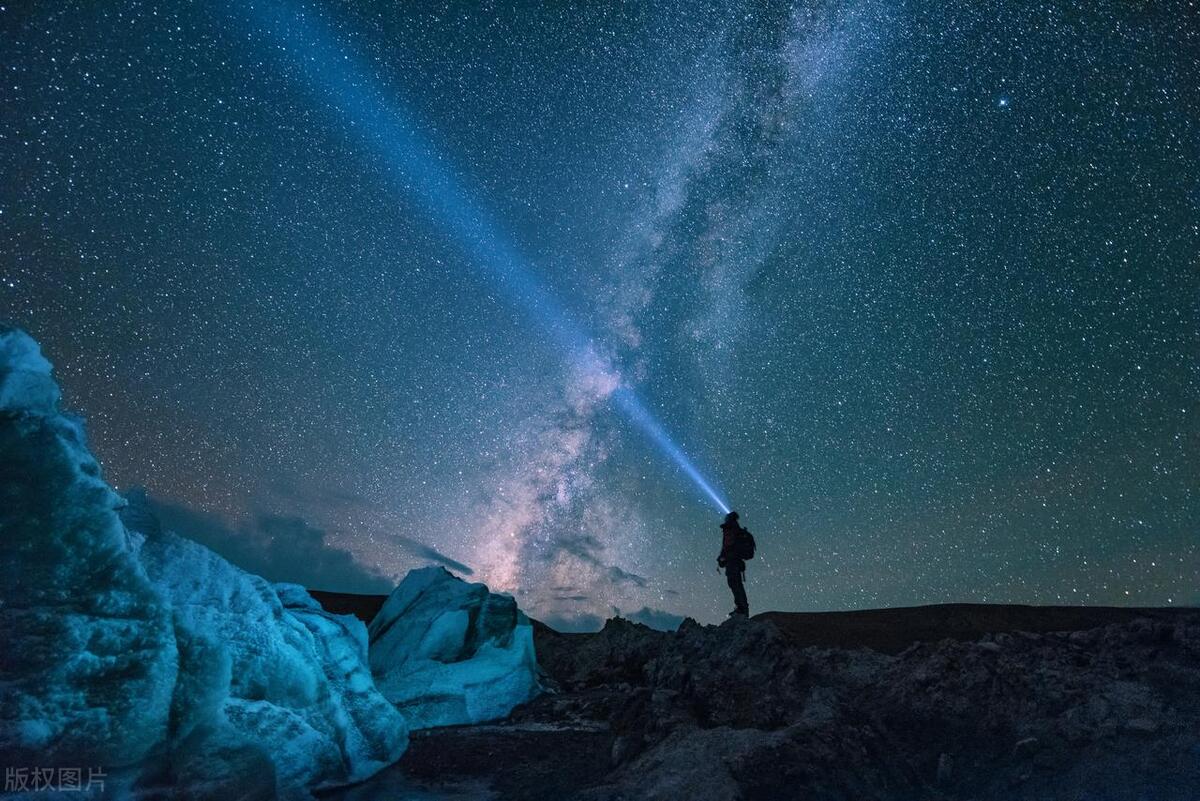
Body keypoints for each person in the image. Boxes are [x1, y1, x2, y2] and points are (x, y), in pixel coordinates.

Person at [717, 510, 750, 617]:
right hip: (733, 563)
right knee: (735, 584)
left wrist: (724, 558)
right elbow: (727, 548)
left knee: (735, 584)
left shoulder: (732, 530)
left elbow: (729, 547)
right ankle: (741, 608)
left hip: (733, 563)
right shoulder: (733, 530)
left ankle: (742, 608)